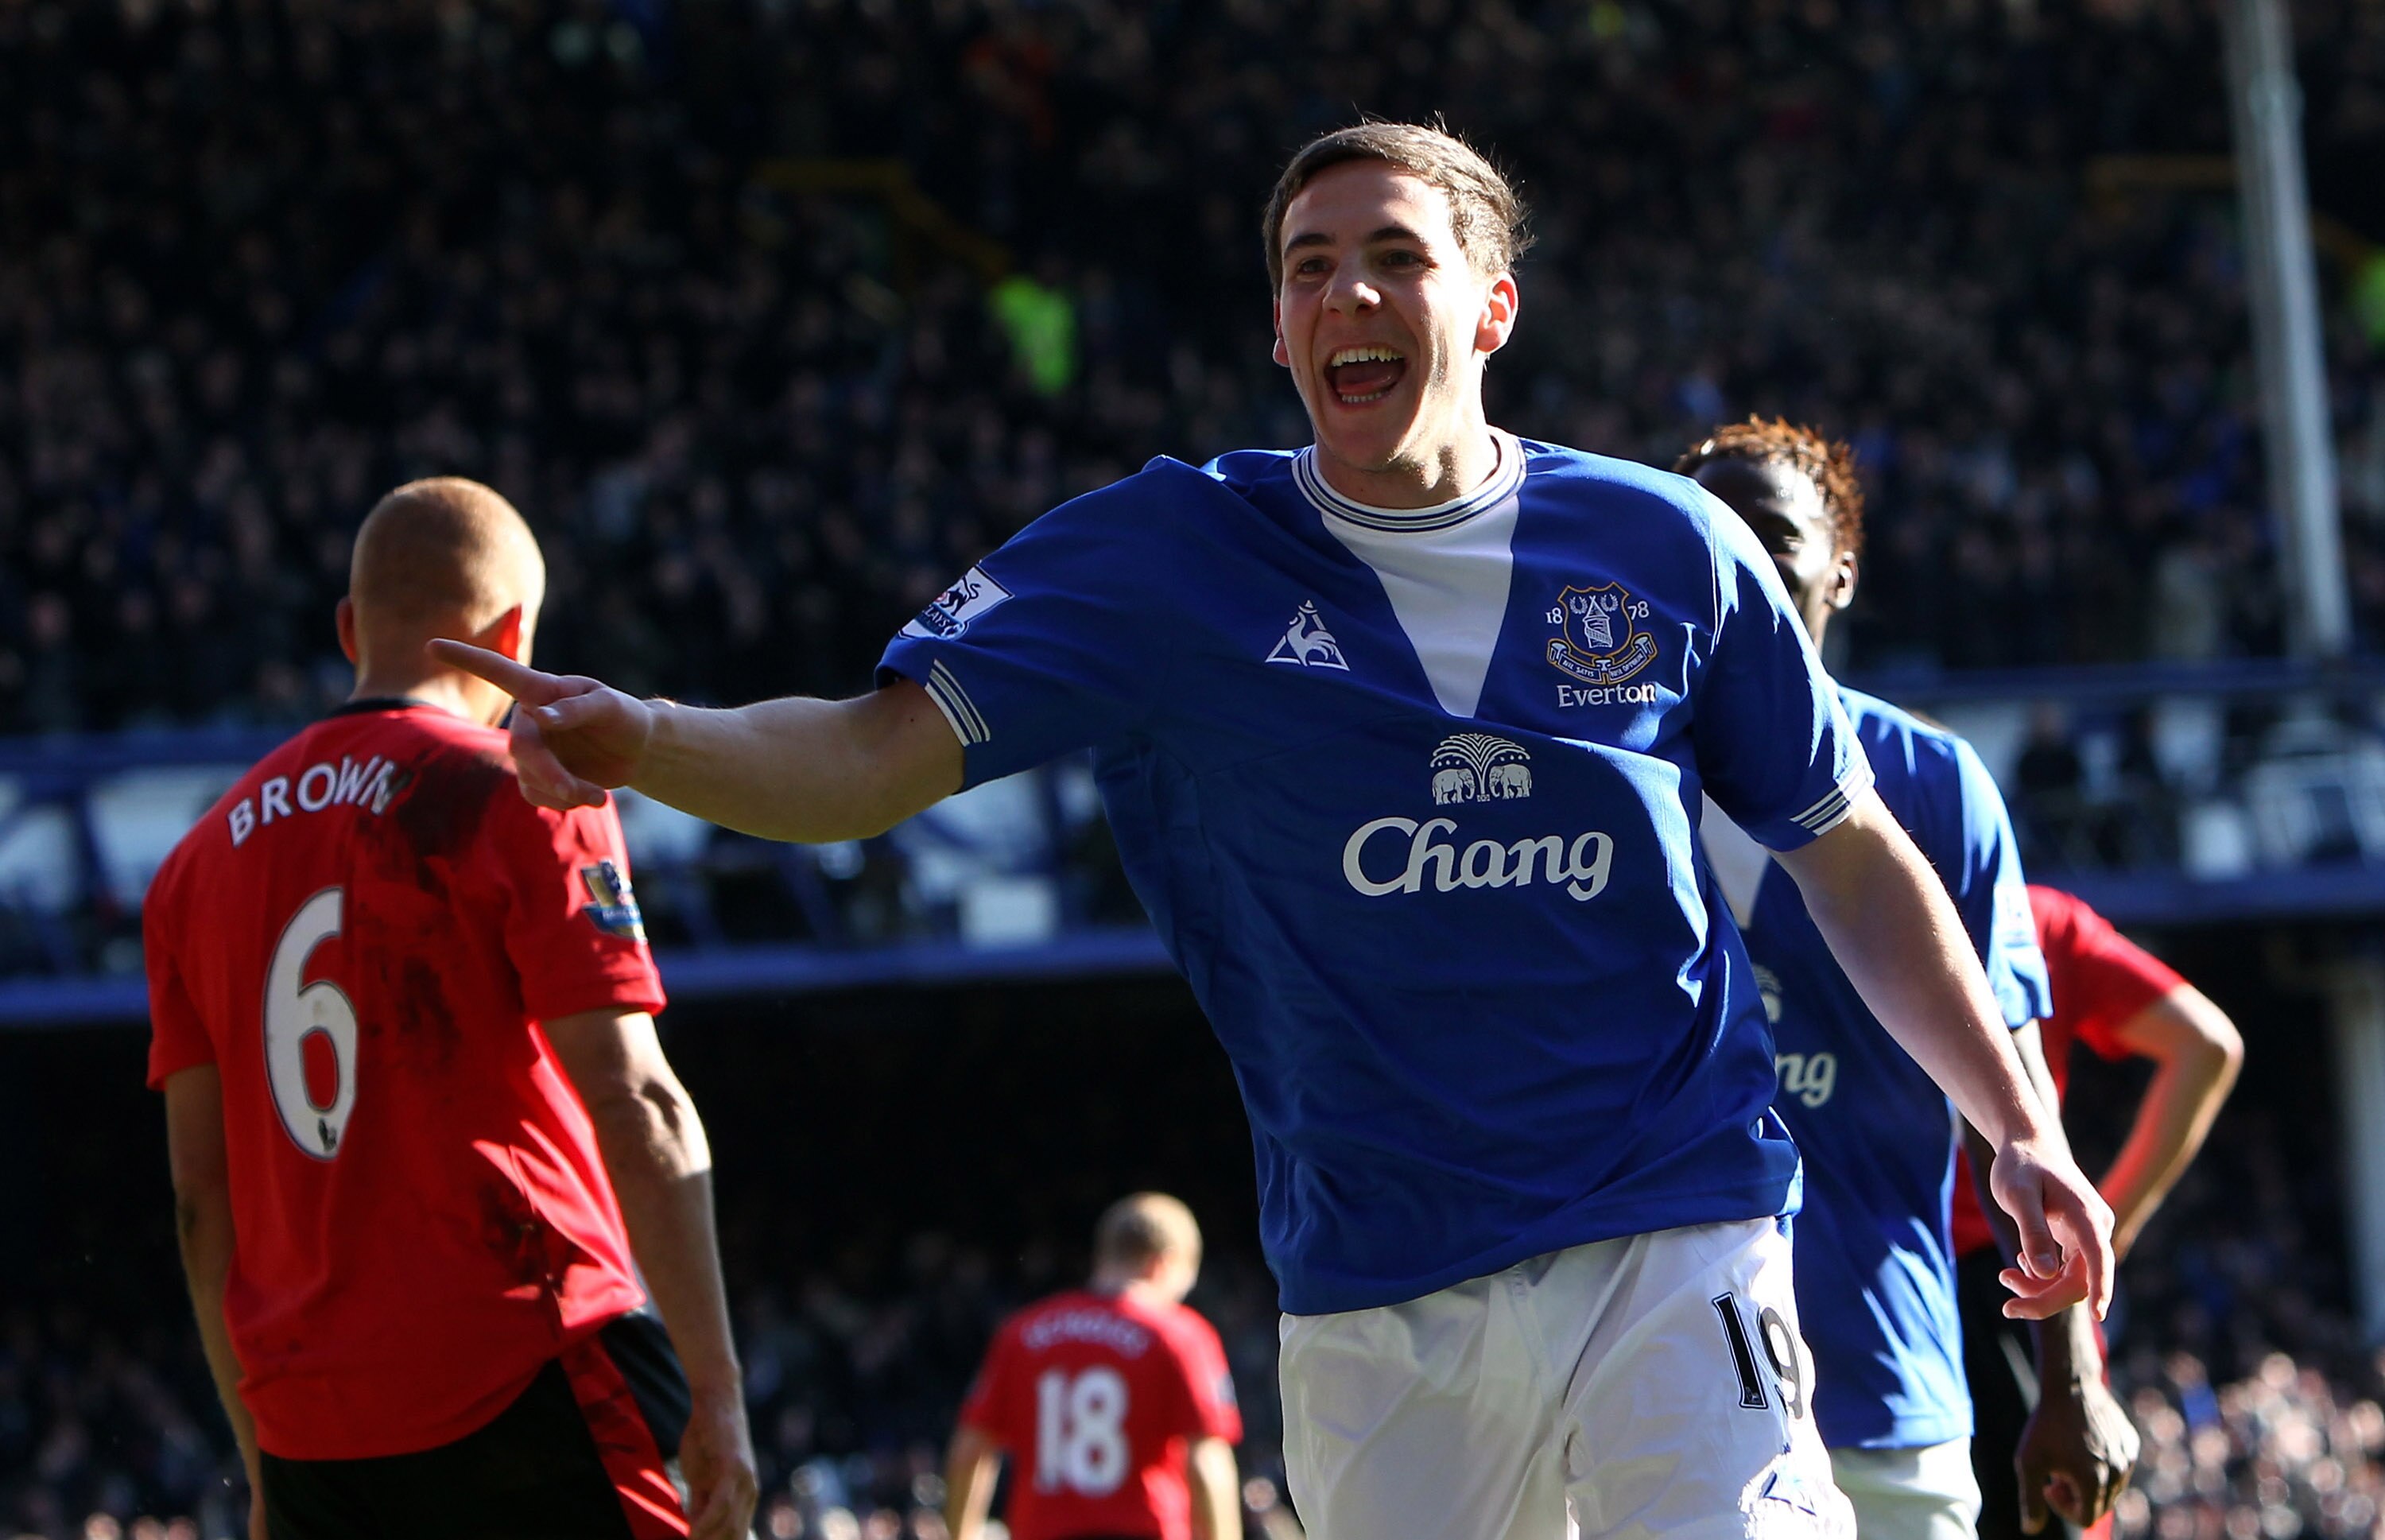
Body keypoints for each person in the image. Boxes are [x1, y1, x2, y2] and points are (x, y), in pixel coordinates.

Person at [440, 122, 2115, 1540]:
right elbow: (871, 758)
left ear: (1493, 305)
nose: (1347, 294)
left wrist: (2019, 1117)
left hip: (1676, 1226)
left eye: (1393, 255)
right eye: (1310, 267)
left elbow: (1846, 848)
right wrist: (652, 737)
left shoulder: (1668, 548)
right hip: (1378, 1279)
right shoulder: (1168, 556)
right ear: (1278, 326)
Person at [145, 478, 758, 1540]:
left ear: (349, 629)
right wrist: (718, 1388)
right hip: (525, 1364)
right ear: (514, 633)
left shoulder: (192, 866)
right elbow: (637, 1100)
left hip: (313, 1428)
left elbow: (203, 1201)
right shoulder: (524, 788)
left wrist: (263, 1458)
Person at [1675, 420, 2135, 1540]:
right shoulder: (1612, 783)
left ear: (1841, 567)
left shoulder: (1932, 783)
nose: (1736, 558)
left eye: (1769, 535)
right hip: (1657, 1396)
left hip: (1884, 1383)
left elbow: (2013, 1105)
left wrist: (2070, 1375)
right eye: (1706, 532)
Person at [1955, 887, 2242, 1540]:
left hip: (1867, 1275)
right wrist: (2116, 1220)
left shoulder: (1829, 892)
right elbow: (2208, 1044)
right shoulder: (2031, 914)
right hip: (2022, 1282)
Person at [943, 1194, 1243, 1540]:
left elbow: (969, 1451)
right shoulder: (1180, 1335)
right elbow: (1207, 1463)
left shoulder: (1021, 1333)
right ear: (1163, 1263)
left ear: (1104, 1256)